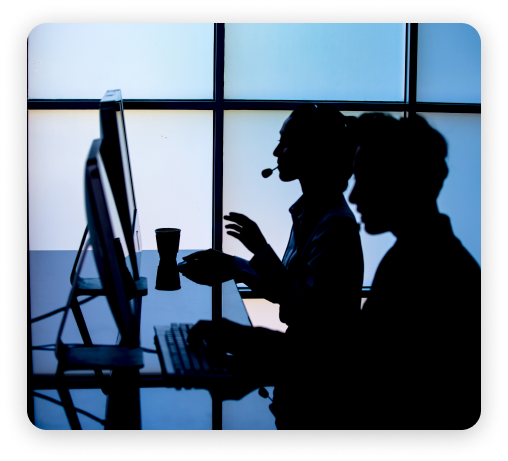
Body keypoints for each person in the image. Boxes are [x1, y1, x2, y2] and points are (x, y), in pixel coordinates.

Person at [180, 103, 364, 429]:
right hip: (301, 378)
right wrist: (234, 263)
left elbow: (304, 307)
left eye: (287, 142)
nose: (277, 151)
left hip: (316, 395)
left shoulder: (335, 226)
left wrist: (255, 251)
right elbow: (294, 288)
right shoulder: (314, 212)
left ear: (314, 152)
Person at [348, 113, 481, 431]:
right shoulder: (426, 257)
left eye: (364, 179)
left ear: (400, 181)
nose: (353, 196)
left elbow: (366, 366)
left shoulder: (422, 267)